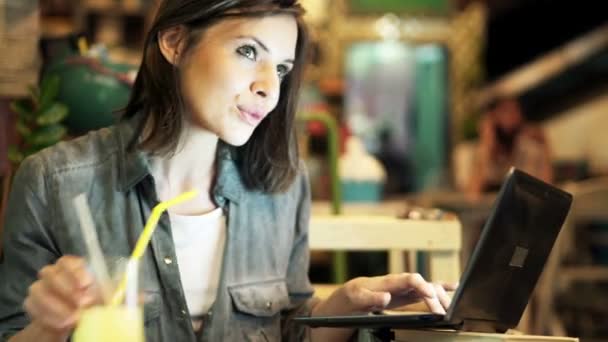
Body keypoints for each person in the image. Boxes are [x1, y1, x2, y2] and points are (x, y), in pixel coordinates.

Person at [0, 1, 455, 341]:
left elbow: (291, 333)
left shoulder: (281, 187)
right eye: (246, 51)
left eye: (281, 67)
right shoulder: (53, 183)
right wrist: (48, 327)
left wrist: (345, 304)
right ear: (174, 43)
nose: (268, 87)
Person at [468, 96, 553, 198]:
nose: (511, 117)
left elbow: (546, 194)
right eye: (504, 111)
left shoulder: (531, 150)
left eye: (514, 111)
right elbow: (472, 197)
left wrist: (544, 147)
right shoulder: (482, 152)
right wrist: (487, 145)